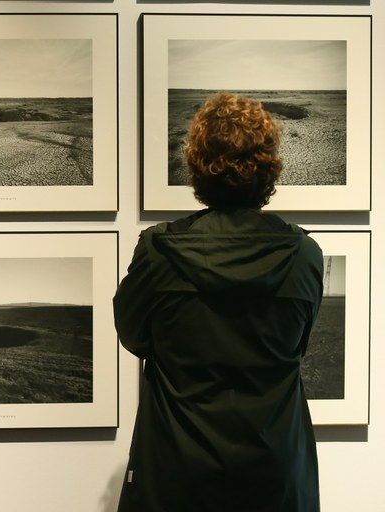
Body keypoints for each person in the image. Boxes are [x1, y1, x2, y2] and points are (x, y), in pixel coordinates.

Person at [113, 92, 324, 511]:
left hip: (178, 468)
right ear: (269, 168)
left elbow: (134, 337)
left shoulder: (159, 250)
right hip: (275, 470)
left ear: (197, 166)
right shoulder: (303, 253)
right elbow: (297, 345)